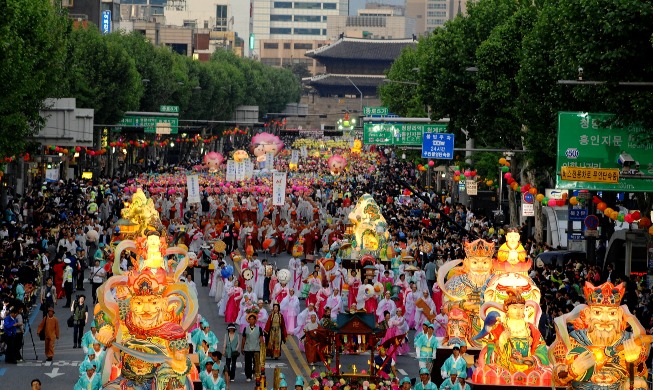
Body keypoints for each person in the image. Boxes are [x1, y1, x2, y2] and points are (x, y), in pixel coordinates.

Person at [241, 313, 264, 382]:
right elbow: (244, 338)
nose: (251, 321)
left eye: (253, 319)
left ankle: (255, 373)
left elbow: (261, 338)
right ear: (248, 321)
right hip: (247, 348)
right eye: (250, 319)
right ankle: (248, 376)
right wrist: (242, 347)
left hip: (256, 348)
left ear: (255, 320)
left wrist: (262, 347)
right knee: (248, 363)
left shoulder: (259, 329)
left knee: (256, 363)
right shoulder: (246, 329)